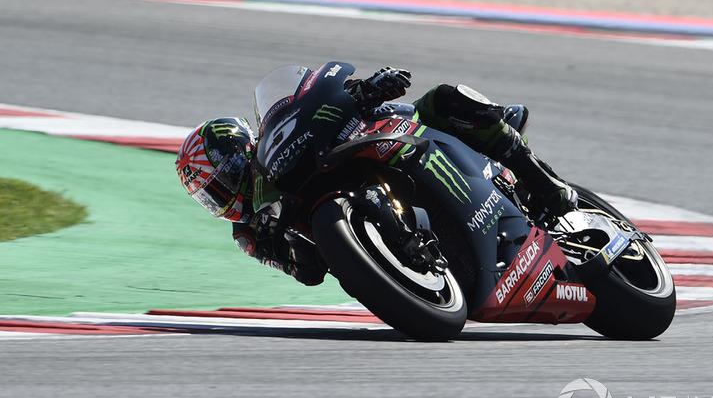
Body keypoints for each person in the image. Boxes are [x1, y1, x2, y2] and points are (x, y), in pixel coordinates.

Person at [176, 65, 576, 286]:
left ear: (242, 150)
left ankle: (542, 180)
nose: (224, 196)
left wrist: (368, 88)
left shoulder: (277, 144)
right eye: (210, 197)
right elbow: (307, 274)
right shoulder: (251, 234)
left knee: (441, 99)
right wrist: (292, 244)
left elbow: (325, 104)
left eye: (221, 180)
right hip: (356, 238)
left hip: (382, 142)